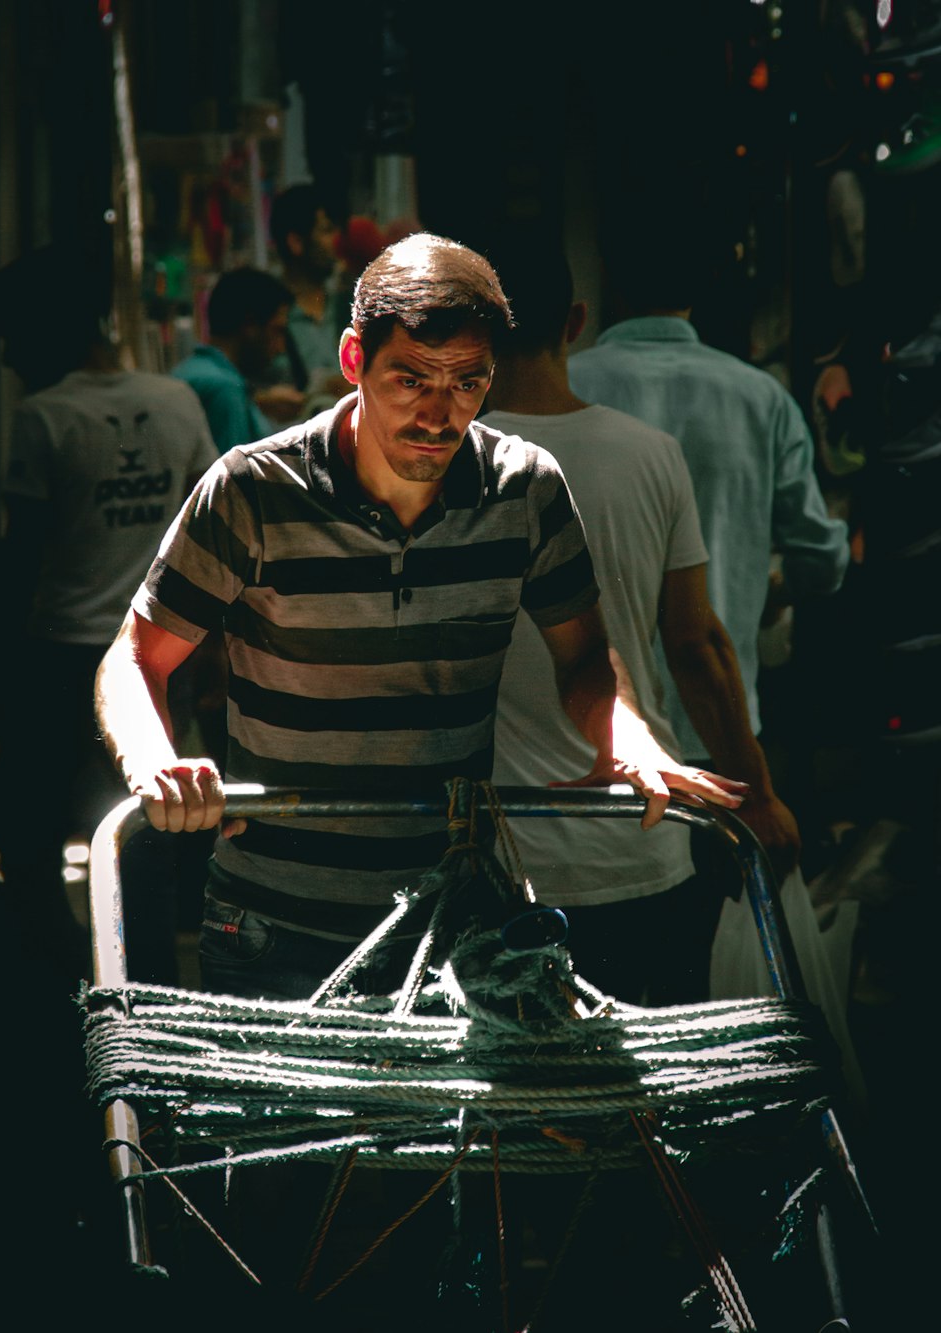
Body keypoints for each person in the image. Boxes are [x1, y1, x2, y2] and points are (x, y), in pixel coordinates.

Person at [95, 232, 748, 1003]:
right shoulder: (251, 491)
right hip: (274, 926)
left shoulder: (527, 490)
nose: (439, 415)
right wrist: (152, 762)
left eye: (467, 384)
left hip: (450, 925)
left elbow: (585, 658)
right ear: (352, 361)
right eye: (410, 380)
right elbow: (136, 657)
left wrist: (629, 739)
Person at [484, 238, 799, 1004]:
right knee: (653, 1102)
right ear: (577, 321)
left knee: (515, 1112)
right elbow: (697, 645)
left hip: (497, 863)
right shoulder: (650, 456)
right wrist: (756, 792)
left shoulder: (452, 464)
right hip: (641, 843)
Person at [0, 246, 219, 976]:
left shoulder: (43, 418)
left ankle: (57, 988)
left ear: (46, 328)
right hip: (162, 654)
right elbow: (206, 532)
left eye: (14, 333)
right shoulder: (177, 401)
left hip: (62, 654)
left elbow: (21, 560)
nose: (5, 354)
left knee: (26, 839)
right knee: (144, 835)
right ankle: (147, 999)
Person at [568, 206, 851, 779]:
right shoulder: (760, 399)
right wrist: (768, 587)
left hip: (582, 723)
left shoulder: (567, 386)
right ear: (705, 285)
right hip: (719, 723)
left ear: (609, 278)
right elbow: (822, 560)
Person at [171, 267, 302, 445]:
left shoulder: (191, 370)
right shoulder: (225, 389)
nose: (281, 348)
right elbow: (234, 471)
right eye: (277, 331)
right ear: (250, 326)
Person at [266, 183, 352, 408]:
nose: (335, 241)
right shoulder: (267, 313)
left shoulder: (348, 305)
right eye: (325, 230)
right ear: (296, 242)